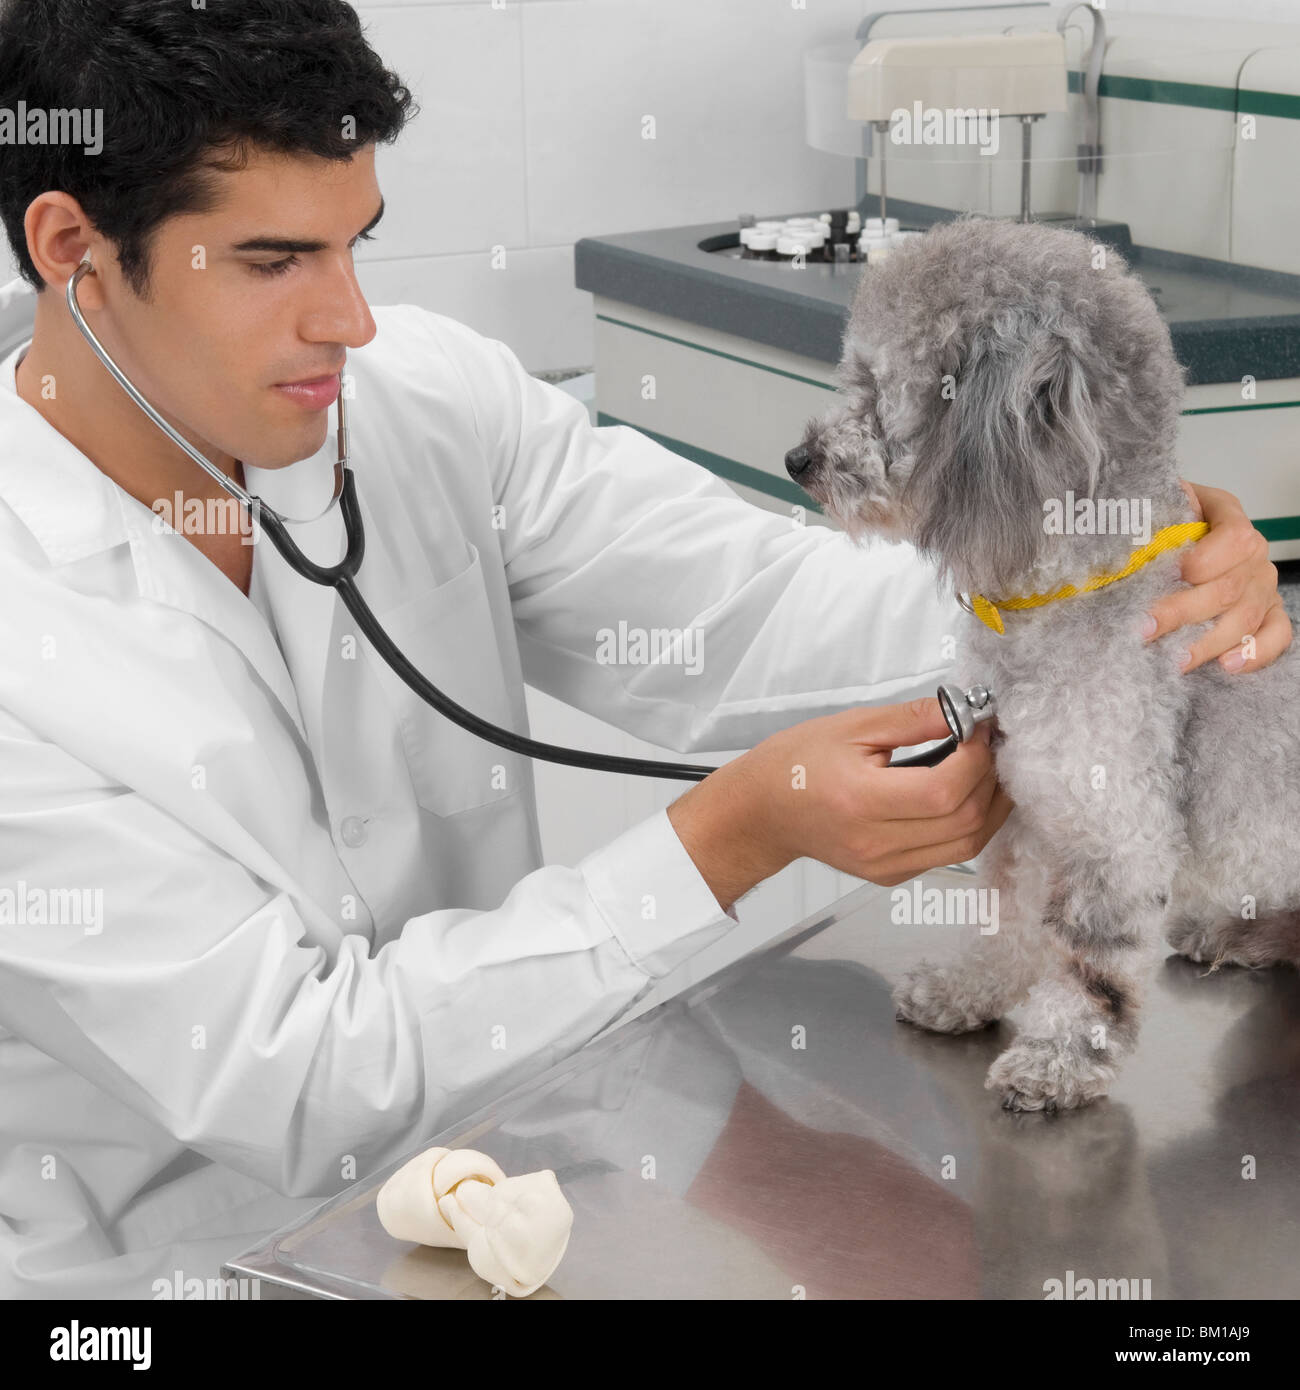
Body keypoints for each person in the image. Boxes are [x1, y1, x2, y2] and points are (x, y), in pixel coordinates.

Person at [0, 0, 1289, 1299]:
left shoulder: (425, 409)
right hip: (154, 1277)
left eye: (355, 247)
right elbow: (301, 1074)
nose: (353, 321)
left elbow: (756, 612)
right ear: (77, 251)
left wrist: (1109, 574)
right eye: (277, 261)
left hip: (503, 1186)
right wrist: (729, 836)